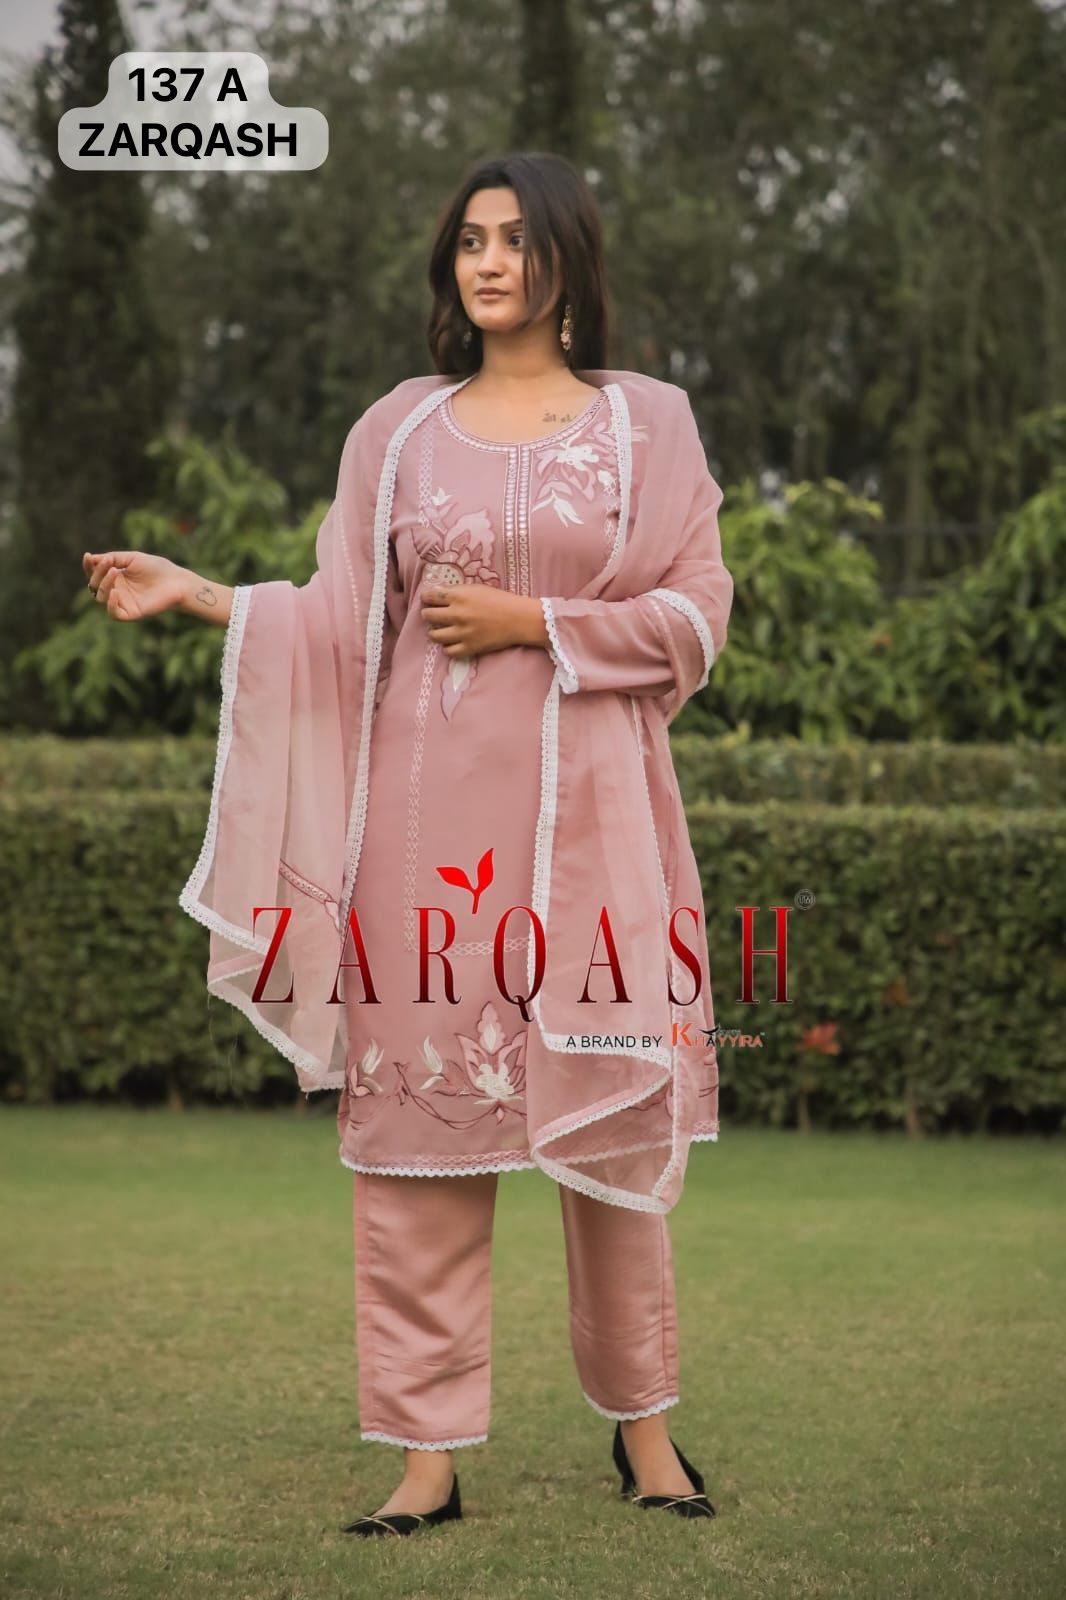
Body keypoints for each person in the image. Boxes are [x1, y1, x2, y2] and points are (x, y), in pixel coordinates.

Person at [83, 151, 733, 1536]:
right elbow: (341, 621)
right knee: (416, 1146)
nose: (488, 262)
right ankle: (426, 1460)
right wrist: (202, 594)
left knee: (612, 1137)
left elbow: (695, 617)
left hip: (597, 839)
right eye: (470, 241)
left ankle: (647, 1434)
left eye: (515, 239)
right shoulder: (399, 430)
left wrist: (532, 623)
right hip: (424, 837)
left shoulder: (648, 424)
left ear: (567, 258)